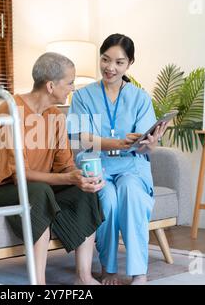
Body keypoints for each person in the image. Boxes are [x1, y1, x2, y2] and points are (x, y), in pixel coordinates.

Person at [0, 52, 105, 285]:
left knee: (84, 191)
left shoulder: (56, 116)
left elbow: (64, 165)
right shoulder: (9, 110)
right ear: (51, 85)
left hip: (35, 186)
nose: (72, 88)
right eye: (70, 82)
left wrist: (82, 178)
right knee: (39, 192)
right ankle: (38, 283)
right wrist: (69, 179)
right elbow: (18, 175)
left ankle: (83, 277)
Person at [68, 34, 168, 285]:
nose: (110, 68)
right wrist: (114, 143)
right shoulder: (82, 96)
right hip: (96, 164)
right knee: (107, 198)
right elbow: (79, 138)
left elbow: (144, 148)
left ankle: (139, 272)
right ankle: (108, 268)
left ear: (129, 64)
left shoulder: (140, 98)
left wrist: (150, 144)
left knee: (131, 193)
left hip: (132, 166)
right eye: (105, 59)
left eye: (119, 62)